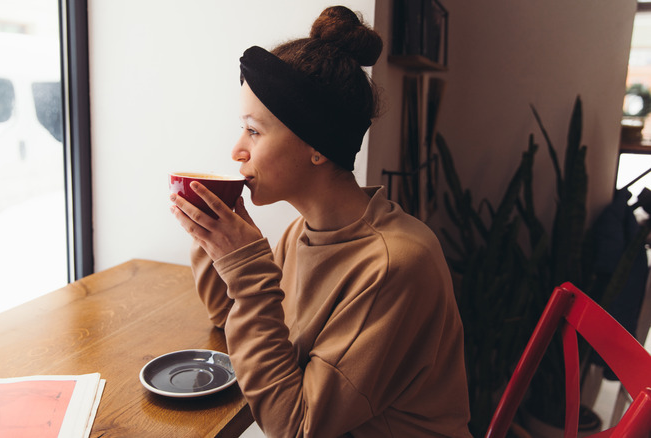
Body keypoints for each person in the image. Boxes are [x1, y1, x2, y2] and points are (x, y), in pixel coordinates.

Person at [169, 5, 471, 437]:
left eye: (254, 131)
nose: (238, 149)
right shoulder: (303, 234)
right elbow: (230, 318)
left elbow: (295, 426)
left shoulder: (395, 265)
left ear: (317, 146)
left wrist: (247, 269)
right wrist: (211, 238)